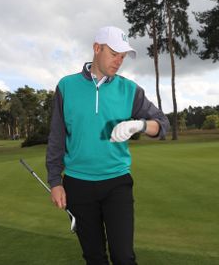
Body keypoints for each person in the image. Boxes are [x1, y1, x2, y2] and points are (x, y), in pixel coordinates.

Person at [46, 26, 169, 265]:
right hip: (77, 184)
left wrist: (140, 125)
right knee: (94, 258)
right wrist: (55, 182)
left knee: (124, 257)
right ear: (96, 48)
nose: (119, 61)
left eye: (123, 57)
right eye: (114, 54)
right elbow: (57, 137)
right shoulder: (66, 87)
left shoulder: (129, 90)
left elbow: (162, 124)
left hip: (116, 183)